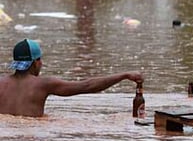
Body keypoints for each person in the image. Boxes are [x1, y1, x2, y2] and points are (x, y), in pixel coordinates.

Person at [0, 39, 144, 117]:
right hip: (33, 136)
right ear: (35, 62)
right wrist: (123, 75)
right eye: (40, 59)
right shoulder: (43, 84)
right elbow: (87, 86)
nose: (41, 63)